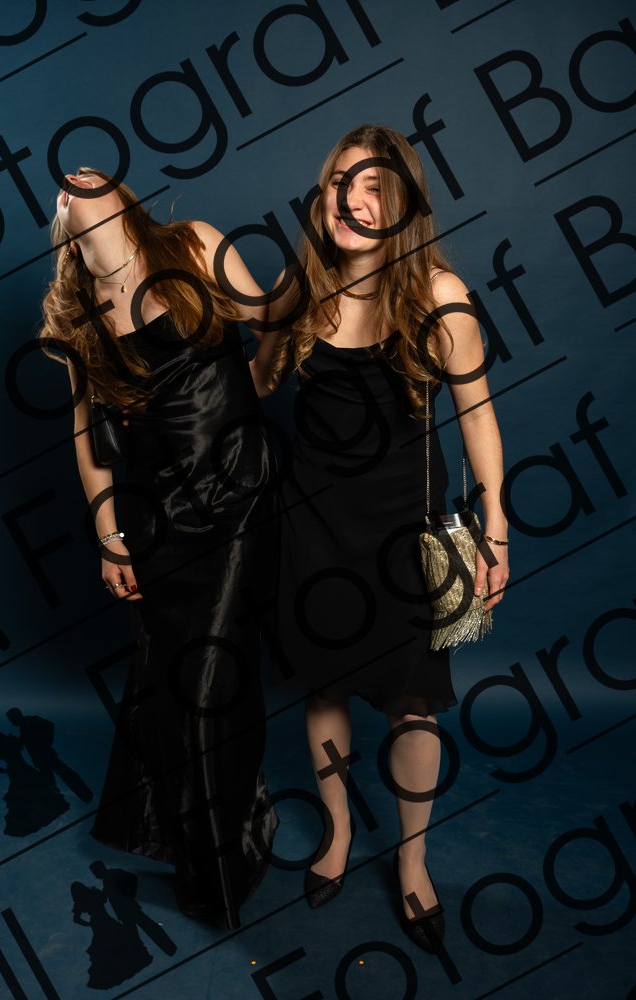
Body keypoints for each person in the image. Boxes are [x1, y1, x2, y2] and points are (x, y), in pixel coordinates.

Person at [250, 124, 509, 952]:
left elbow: (477, 417)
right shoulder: (302, 285)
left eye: (373, 188)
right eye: (339, 183)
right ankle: (334, 832)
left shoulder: (437, 293)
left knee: (413, 704)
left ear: (403, 206)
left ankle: (411, 859)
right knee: (322, 688)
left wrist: (496, 528)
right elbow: (256, 380)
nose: (351, 201)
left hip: (402, 531)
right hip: (310, 523)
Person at [40, 167, 278, 930]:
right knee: (172, 688)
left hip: (237, 496)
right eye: (67, 185)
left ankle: (225, 864)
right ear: (64, 221)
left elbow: (271, 318)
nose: (80, 177)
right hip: (155, 517)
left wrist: (253, 383)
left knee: (211, 677)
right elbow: (88, 438)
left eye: (96, 174)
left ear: (124, 196)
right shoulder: (75, 313)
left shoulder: (193, 243)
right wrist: (109, 537)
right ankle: (216, 828)